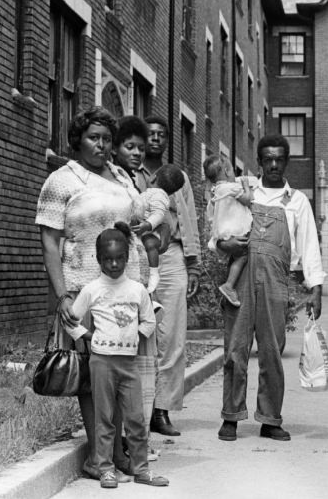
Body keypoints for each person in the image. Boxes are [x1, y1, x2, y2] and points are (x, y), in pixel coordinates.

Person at [36, 107, 144, 480]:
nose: (102, 145)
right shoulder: (62, 180)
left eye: (107, 139)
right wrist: (63, 296)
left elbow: (134, 225)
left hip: (124, 290)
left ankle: (116, 453)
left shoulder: (121, 177)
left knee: (121, 374)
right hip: (84, 289)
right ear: (77, 140)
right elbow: (50, 243)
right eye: (94, 138)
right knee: (93, 378)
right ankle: (102, 458)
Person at [216, 135, 325, 442]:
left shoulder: (297, 201)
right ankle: (231, 417)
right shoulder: (243, 192)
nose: (274, 165)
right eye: (268, 159)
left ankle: (270, 418)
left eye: (279, 159)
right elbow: (219, 232)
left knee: (272, 351)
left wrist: (315, 288)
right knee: (235, 351)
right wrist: (225, 244)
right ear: (260, 162)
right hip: (240, 278)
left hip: (277, 279)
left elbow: (309, 246)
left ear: (286, 161)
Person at [64, 222, 167, 489]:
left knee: (135, 418)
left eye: (119, 258)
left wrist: (134, 336)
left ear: (127, 257)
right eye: (107, 259)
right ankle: (105, 468)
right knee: (105, 418)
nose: (113, 264)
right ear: (98, 259)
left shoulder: (136, 289)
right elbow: (70, 320)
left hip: (129, 363)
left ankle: (141, 469)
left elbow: (149, 322)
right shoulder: (91, 289)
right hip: (101, 362)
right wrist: (87, 337)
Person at [136, 115, 201, 437]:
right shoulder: (131, 174)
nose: (157, 139)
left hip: (172, 257)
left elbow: (188, 220)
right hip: (136, 256)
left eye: (162, 134)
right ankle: (138, 408)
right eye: (151, 134)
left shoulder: (179, 177)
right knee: (139, 332)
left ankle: (161, 410)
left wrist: (194, 264)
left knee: (172, 337)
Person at [111, 115, 161, 463]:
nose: (137, 153)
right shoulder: (112, 181)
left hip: (138, 283)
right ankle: (123, 443)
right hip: (117, 281)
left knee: (141, 364)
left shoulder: (133, 180)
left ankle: (135, 439)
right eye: (130, 147)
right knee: (121, 363)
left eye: (141, 148)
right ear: (116, 147)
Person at [203, 154, 253, 307]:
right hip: (236, 232)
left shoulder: (216, 190)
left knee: (235, 258)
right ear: (226, 171)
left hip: (223, 234)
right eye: (232, 170)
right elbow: (248, 199)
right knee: (242, 256)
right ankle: (229, 285)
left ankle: (230, 284)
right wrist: (245, 186)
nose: (235, 174)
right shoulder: (232, 188)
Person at [133, 164, 184, 294]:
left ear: (153, 178)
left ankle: (154, 273)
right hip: (144, 230)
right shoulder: (152, 193)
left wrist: (147, 225)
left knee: (150, 245)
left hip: (152, 231)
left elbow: (158, 214)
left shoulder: (159, 195)